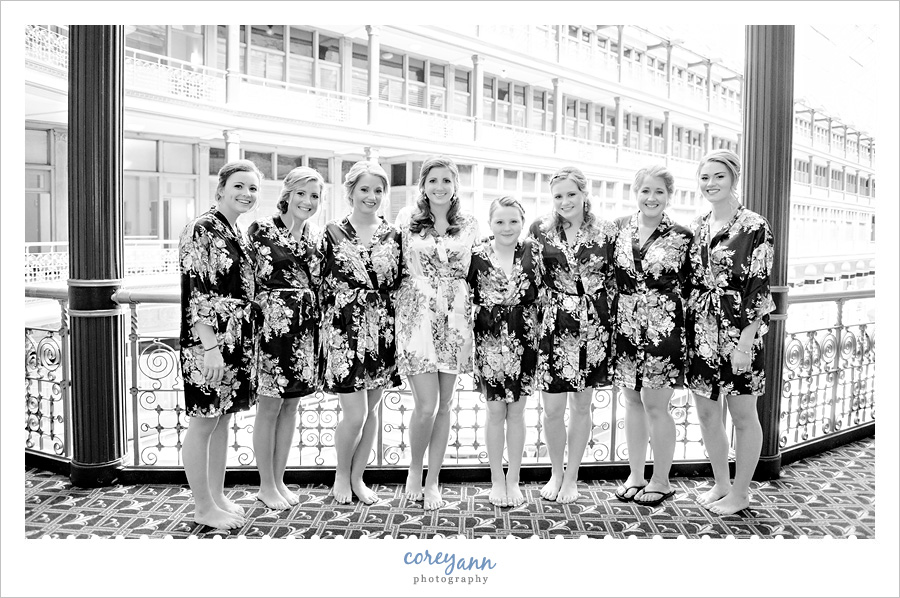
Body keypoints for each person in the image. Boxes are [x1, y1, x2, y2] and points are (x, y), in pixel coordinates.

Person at [685, 149, 775, 515]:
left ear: (733, 178)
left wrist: (745, 342)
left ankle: (741, 492)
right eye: (704, 177)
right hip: (702, 330)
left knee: (742, 415)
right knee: (707, 413)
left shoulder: (754, 226)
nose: (710, 184)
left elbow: (759, 287)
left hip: (740, 332)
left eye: (718, 176)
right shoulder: (699, 224)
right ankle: (721, 484)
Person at [178, 159, 262, 529]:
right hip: (208, 343)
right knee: (203, 422)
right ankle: (202, 506)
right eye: (239, 186)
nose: (246, 194)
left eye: (253, 188)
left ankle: (216, 494)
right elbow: (196, 293)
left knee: (221, 421)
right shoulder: (202, 229)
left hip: (236, 340)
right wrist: (210, 348)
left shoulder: (235, 231)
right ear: (221, 189)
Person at [528, 166, 617, 504]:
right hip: (554, 322)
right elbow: (532, 278)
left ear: (584, 194)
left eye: (571, 194)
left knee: (581, 406)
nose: (565, 201)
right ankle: (555, 471)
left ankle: (572, 477)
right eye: (558, 196)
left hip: (593, 325)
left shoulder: (605, 231)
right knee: (551, 408)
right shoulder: (540, 229)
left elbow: (614, 280)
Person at [395, 156, 480, 510]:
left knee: (445, 405)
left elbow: (478, 268)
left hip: (455, 317)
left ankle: (433, 480)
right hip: (418, 316)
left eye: (447, 180)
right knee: (426, 405)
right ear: (423, 185)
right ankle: (414, 471)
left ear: (455, 185)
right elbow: (398, 266)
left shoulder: (470, 223)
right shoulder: (407, 221)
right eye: (433, 180)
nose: (440, 187)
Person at [321, 160, 402, 504]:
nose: (371, 196)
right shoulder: (331, 232)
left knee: (373, 411)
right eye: (364, 189)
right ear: (351, 191)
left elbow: (401, 281)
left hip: (382, 328)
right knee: (355, 413)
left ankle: (358, 478)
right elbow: (319, 281)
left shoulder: (394, 234)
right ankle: (340, 475)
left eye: (378, 190)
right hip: (345, 327)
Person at [612, 165, 693, 508]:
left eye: (659, 191)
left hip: (664, 327)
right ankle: (635, 474)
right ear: (636, 192)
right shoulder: (619, 229)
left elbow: (691, 286)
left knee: (656, 405)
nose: (651, 197)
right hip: (627, 326)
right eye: (645, 190)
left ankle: (661, 479)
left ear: (669, 196)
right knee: (630, 400)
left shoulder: (682, 235)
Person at [247, 166, 324, 510]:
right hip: (271, 330)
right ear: (287, 194)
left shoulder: (314, 236)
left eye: (315, 196)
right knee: (270, 407)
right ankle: (265, 484)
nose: (307, 201)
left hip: (304, 331)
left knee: (291, 406)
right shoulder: (262, 230)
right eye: (302, 193)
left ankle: (278, 480)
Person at [467, 196, 540, 507]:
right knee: (496, 412)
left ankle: (514, 479)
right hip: (489, 340)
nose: (507, 227)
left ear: (522, 223)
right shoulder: (476, 255)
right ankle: (497, 477)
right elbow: (463, 297)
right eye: (500, 221)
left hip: (525, 338)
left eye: (513, 221)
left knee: (518, 413)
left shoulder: (534, 252)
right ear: (490, 224)